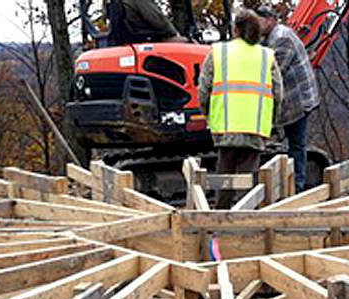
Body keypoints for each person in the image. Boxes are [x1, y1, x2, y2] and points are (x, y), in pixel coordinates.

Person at [198, 8, 284, 208]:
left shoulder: (218, 53)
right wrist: (271, 121)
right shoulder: (266, 56)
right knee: (248, 181)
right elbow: (278, 93)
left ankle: (220, 222)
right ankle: (246, 223)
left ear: (235, 29)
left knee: (224, 177)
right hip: (254, 128)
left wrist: (208, 116)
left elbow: (204, 90)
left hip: (225, 127)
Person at [256, 5, 318, 192]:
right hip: (293, 99)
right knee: (294, 143)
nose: (258, 27)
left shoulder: (281, 39)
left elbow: (274, 71)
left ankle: (297, 186)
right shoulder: (272, 37)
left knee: (296, 144)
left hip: (297, 100)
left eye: (260, 22)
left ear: (270, 20)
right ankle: (292, 183)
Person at [108, 0, 188, 45]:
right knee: (189, 44)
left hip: (135, 40)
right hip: (148, 41)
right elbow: (159, 22)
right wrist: (175, 33)